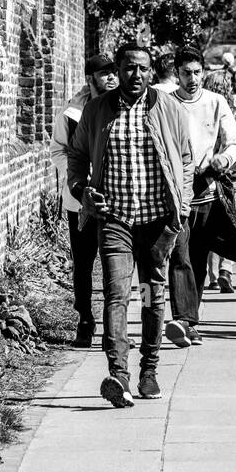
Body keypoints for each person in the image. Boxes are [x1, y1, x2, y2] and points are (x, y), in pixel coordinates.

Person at [66, 41, 194, 407]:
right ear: (117, 71)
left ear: (150, 71)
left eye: (142, 68)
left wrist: (180, 209)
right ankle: (118, 374)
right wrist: (81, 190)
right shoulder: (96, 110)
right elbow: (76, 156)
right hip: (115, 220)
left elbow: (185, 159)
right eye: (128, 68)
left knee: (153, 293)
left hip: (156, 221)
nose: (135, 75)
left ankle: (149, 369)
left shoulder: (167, 107)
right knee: (116, 294)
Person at [166, 45, 236, 345]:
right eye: (186, 73)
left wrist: (222, 160)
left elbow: (233, 141)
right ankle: (182, 319)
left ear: (204, 72)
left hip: (208, 192)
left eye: (197, 72)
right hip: (175, 195)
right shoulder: (164, 103)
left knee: (197, 260)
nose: (193, 78)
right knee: (180, 257)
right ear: (177, 74)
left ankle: (190, 320)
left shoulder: (216, 101)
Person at [50, 54, 119, 347]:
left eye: (114, 72)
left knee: (113, 263)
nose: (112, 78)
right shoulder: (71, 113)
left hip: (114, 199)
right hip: (80, 200)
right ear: (90, 78)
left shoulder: (122, 108)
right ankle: (85, 320)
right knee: (83, 263)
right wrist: (77, 181)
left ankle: (112, 327)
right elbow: (58, 150)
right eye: (105, 74)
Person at [202, 68, 236, 294]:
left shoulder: (202, 107)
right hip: (229, 174)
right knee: (230, 224)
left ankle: (213, 275)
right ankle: (226, 268)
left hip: (206, 173)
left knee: (208, 227)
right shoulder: (234, 110)